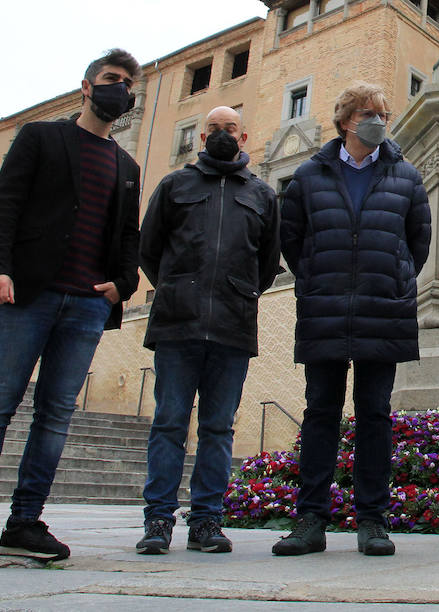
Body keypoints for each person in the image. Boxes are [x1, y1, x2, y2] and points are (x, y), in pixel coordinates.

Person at [0, 49, 143, 571]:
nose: (122, 89)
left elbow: (127, 237)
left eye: (129, 84)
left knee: (55, 417)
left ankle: (24, 522)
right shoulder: (40, 138)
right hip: (29, 294)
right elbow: (5, 205)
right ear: (87, 87)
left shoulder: (127, 164)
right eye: (112, 79)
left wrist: (122, 284)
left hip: (87, 305)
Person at [273, 82, 430, 558]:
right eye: (368, 112)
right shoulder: (307, 175)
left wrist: (394, 278)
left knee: (375, 415)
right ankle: (310, 520)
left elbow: (417, 244)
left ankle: (372, 520)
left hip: (383, 309)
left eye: (383, 112)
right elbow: (292, 240)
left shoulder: (407, 175)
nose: (378, 120)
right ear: (345, 120)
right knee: (320, 412)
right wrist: (321, 280)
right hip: (325, 307)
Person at [135, 105, 280, 556]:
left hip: (233, 328)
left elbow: (268, 263)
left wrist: (236, 292)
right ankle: (158, 520)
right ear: (202, 137)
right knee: (169, 423)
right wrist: (179, 287)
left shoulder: (262, 195)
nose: (222, 134)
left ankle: (207, 521)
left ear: (244, 136)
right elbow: (149, 249)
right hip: (177, 325)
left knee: (219, 428)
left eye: (229, 128)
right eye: (214, 129)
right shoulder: (174, 185)